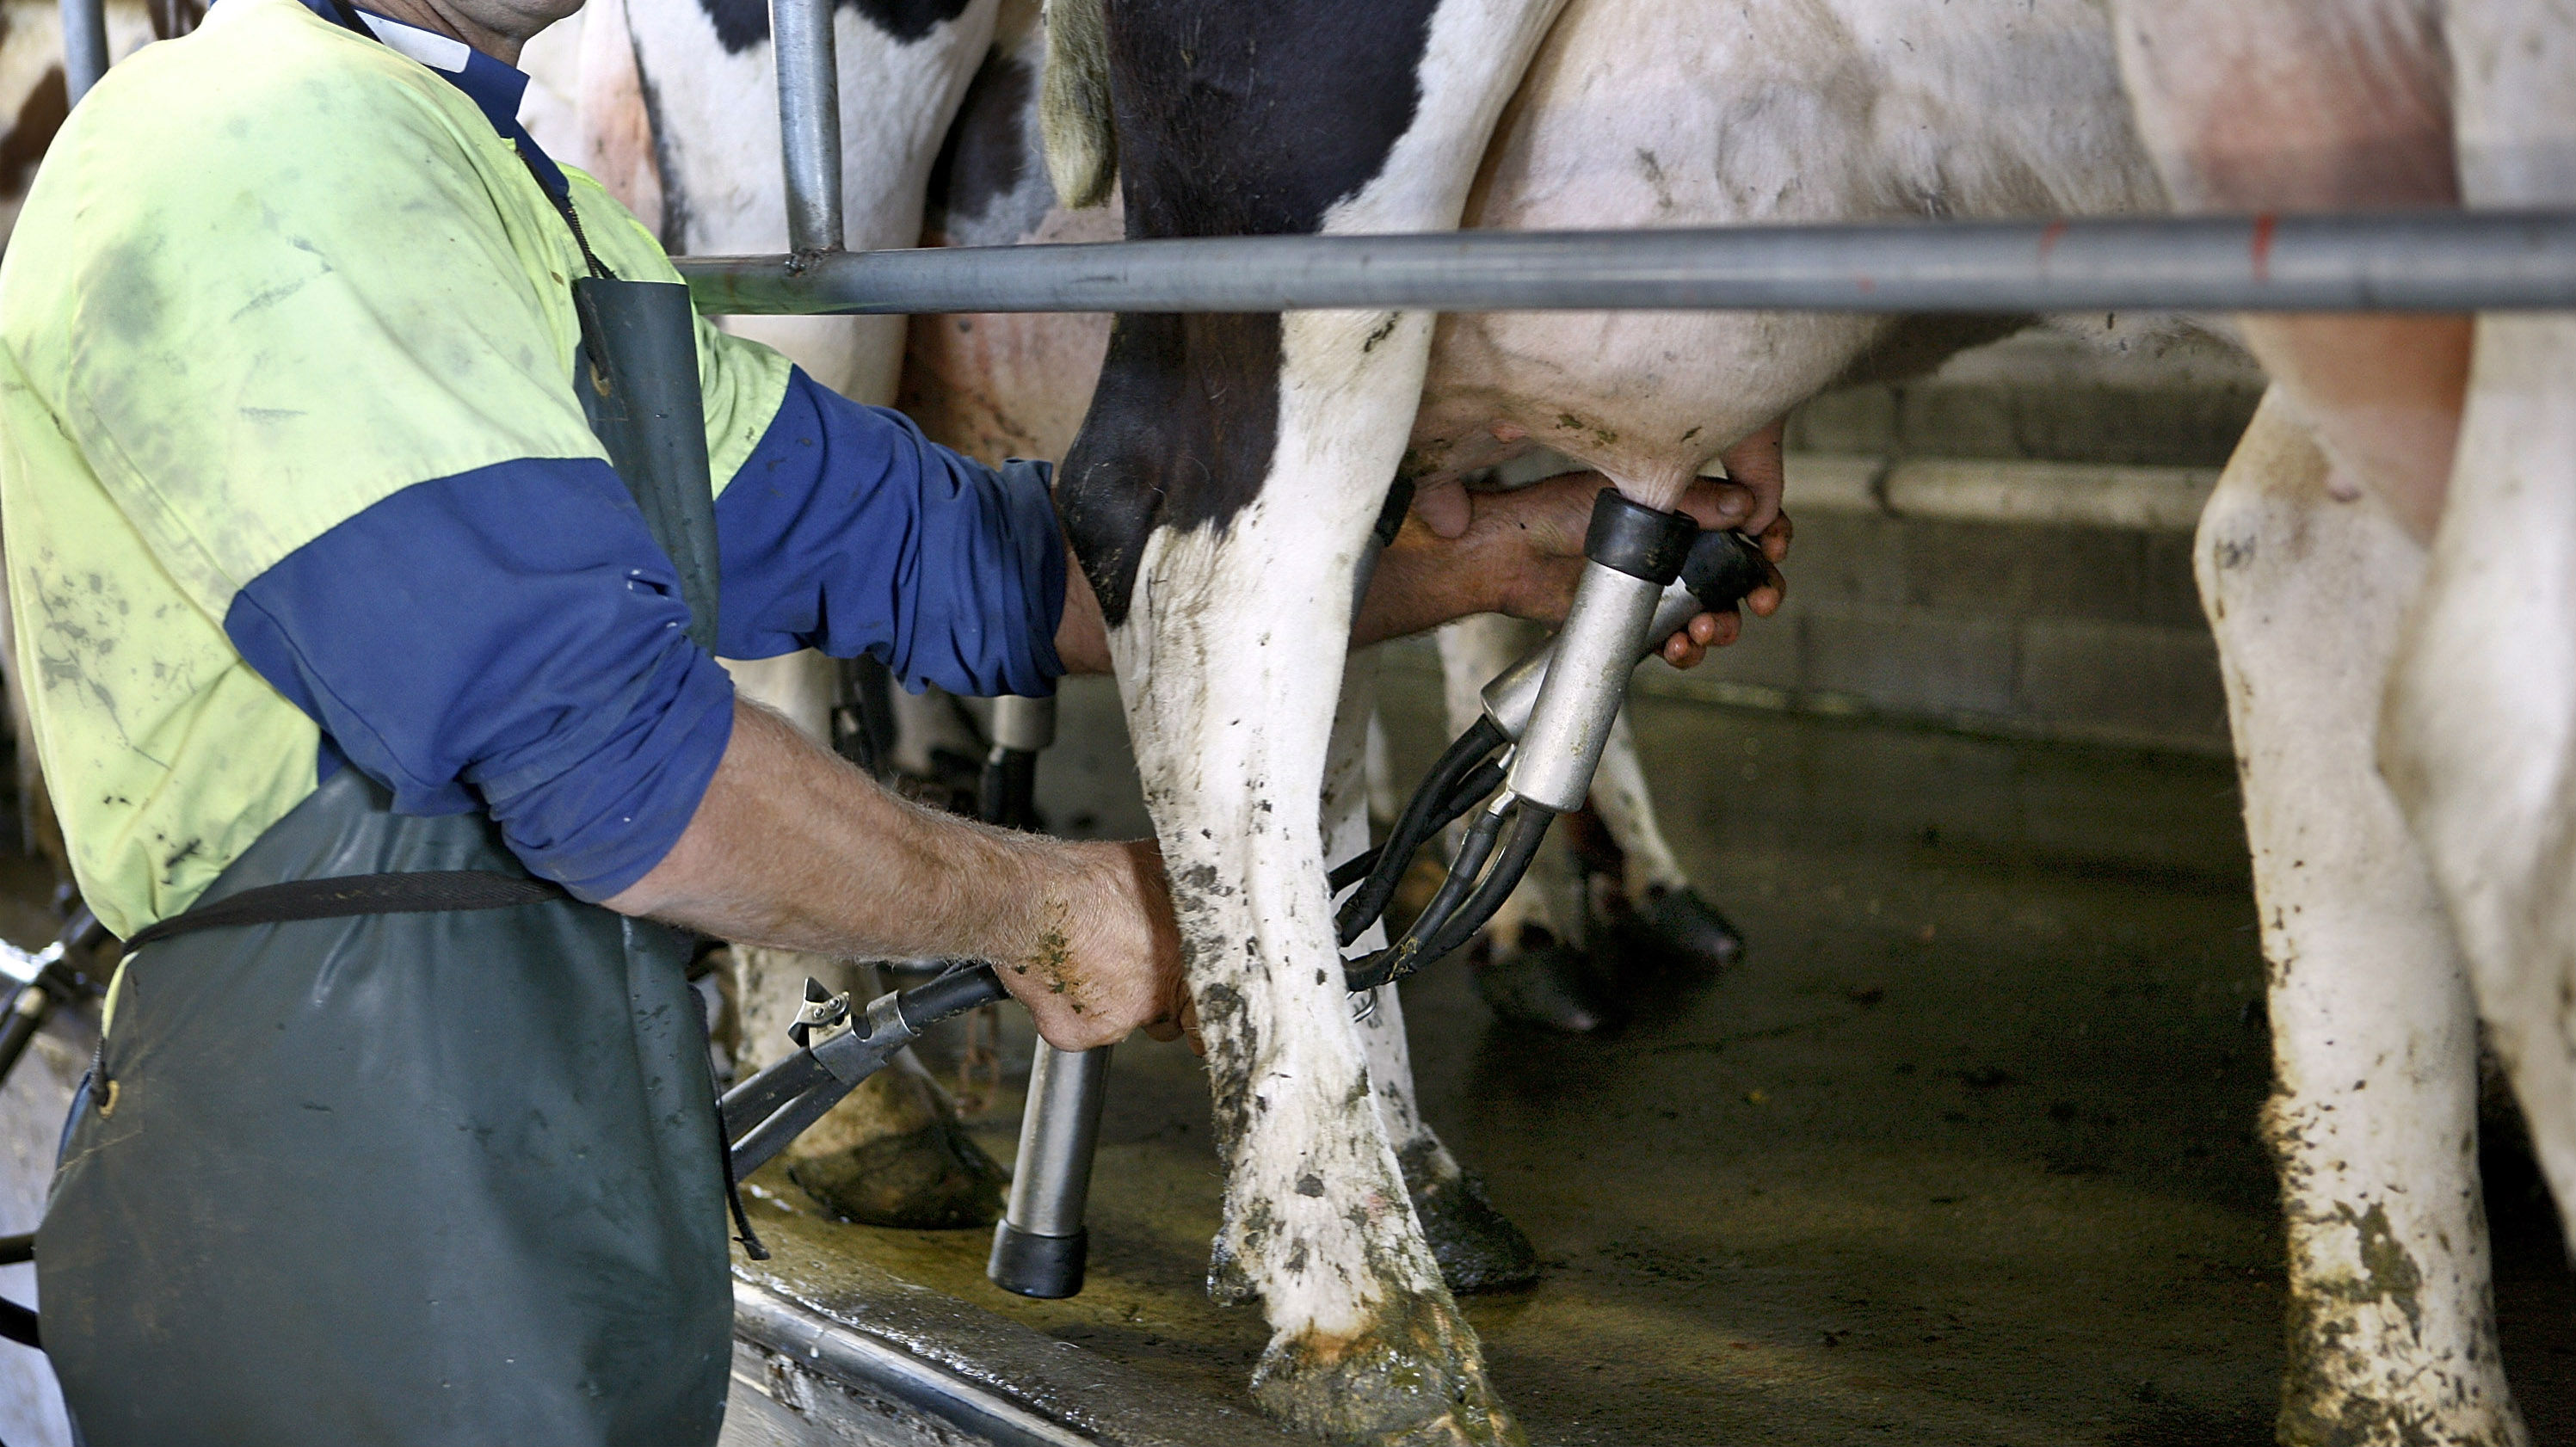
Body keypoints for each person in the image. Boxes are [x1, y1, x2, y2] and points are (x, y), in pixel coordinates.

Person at [0, 0, 1776, 1439]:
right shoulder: (254, 143)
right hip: (329, 1214)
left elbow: (971, 560)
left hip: (527, 1171)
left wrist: (1474, 563)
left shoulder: (494, 192)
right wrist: (1039, 904)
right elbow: (618, 773)